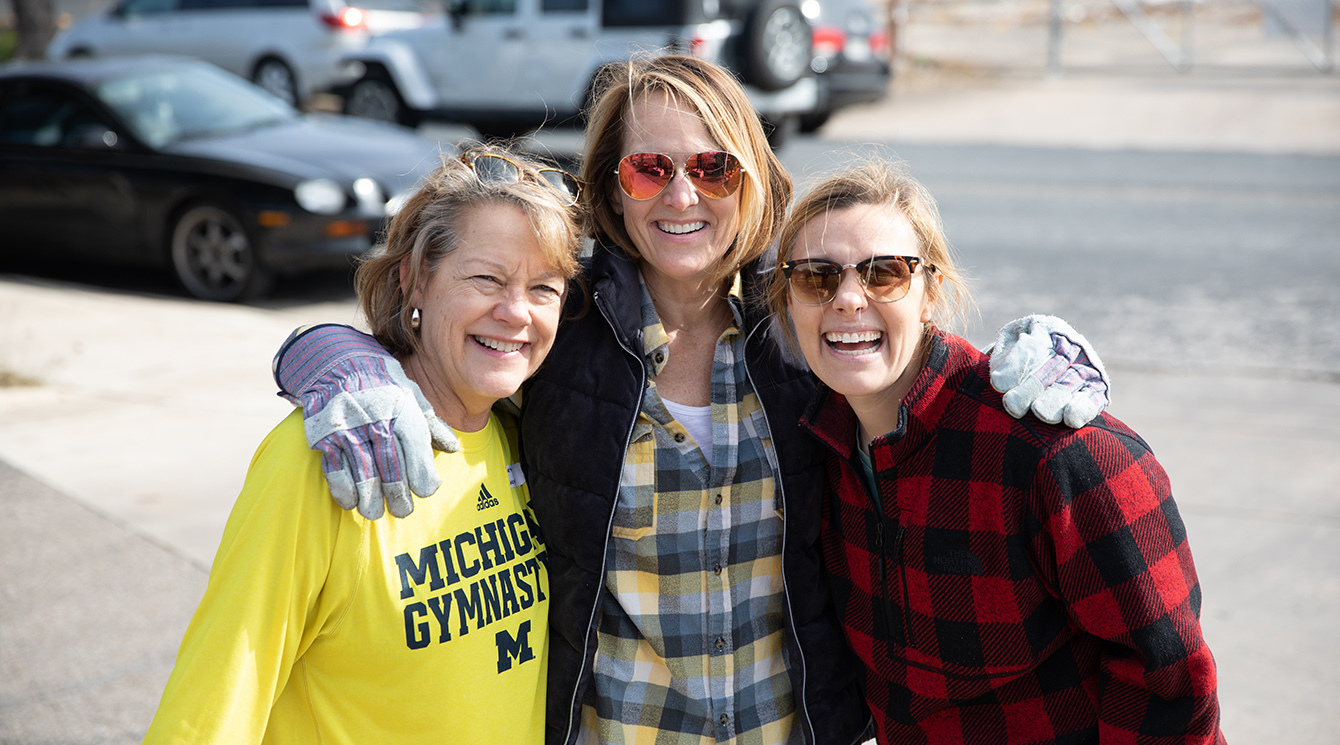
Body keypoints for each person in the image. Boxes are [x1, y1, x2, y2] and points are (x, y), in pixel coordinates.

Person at [271, 56, 1110, 745]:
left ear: (749, 180)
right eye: (651, 167)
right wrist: (335, 360)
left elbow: (897, 336)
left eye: (713, 167)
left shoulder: (799, 323)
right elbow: (451, 333)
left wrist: (1019, 356)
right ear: (612, 185)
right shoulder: (565, 329)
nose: (683, 195)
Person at [766, 161, 1225, 744]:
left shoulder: (1056, 453)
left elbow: (1173, 687)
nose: (849, 299)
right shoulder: (815, 451)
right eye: (816, 277)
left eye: (885, 274)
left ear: (930, 292)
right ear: (788, 301)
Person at [142, 145, 585, 744]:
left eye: (543, 289)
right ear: (414, 280)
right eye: (486, 278)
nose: (515, 312)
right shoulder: (325, 457)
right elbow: (216, 701)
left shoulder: (525, 439)